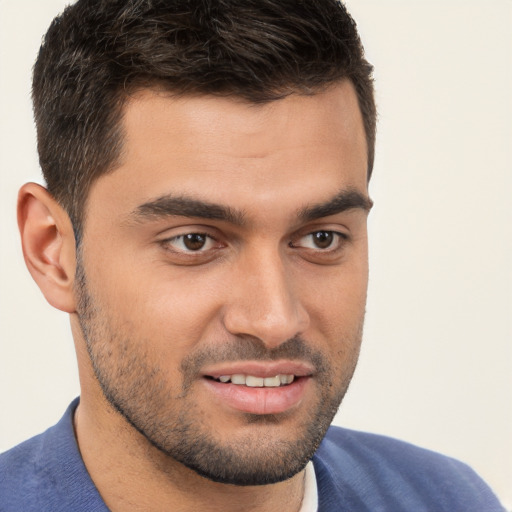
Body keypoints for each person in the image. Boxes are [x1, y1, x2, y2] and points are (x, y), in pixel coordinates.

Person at [0, 0, 505, 510]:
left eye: (321, 238)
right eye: (193, 241)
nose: (275, 319)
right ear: (53, 252)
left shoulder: (451, 499)